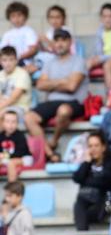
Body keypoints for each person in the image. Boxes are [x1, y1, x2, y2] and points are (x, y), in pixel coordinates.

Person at [24, 29, 88, 162]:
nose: (59, 44)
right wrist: (63, 80)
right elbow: (40, 85)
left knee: (63, 111)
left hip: (74, 102)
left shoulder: (79, 61)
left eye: (63, 40)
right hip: (52, 102)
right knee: (29, 117)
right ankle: (50, 153)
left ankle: (54, 141)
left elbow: (72, 87)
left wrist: (51, 83)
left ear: (70, 42)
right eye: (57, 41)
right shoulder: (50, 63)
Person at [71, 131, 111, 235]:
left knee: (82, 213)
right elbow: (77, 178)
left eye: (96, 145)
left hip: (108, 202)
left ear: (103, 147)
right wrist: (86, 163)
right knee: (79, 204)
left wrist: (88, 180)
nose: (93, 149)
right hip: (87, 202)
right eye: (90, 146)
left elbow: (106, 182)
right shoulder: (88, 163)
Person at [0, 1, 38, 68]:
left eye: (19, 15)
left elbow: (33, 50)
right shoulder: (7, 34)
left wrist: (18, 58)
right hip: (8, 62)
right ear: (9, 18)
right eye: (13, 16)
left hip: (24, 62)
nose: (16, 19)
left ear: (25, 16)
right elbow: (2, 50)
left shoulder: (28, 31)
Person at [0, 46, 32, 123]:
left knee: (3, 116)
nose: (8, 63)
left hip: (20, 108)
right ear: (0, 61)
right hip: (3, 106)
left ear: (16, 61)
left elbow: (13, 99)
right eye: (4, 60)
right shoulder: (0, 74)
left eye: (11, 60)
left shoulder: (22, 74)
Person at [0, 111, 30, 182]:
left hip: (24, 158)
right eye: (7, 121)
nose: (10, 125)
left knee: (11, 163)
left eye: (13, 122)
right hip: (7, 158)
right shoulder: (1, 136)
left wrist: (4, 156)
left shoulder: (20, 136)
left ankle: (12, 186)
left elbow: (20, 152)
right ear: (2, 123)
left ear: (17, 123)